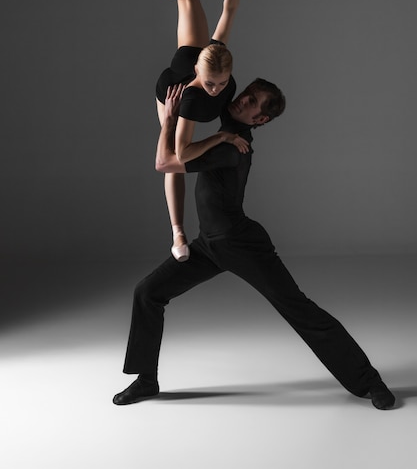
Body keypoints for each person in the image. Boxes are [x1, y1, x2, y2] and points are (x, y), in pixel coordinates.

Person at [112, 80, 396, 410]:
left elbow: (165, 163)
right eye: (245, 94)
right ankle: (146, 380)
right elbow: (211, 74)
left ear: (260, 120)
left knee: (299, 310)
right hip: (208, 245)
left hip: (241, 243)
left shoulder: (234, 148)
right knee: (147, 292)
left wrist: (173, 118)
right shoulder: (229, 124)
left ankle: (370, 382)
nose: (241, 101)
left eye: (252, 103)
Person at [106, 0, 253, 261]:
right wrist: (221, 136)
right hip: (170, 90)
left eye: (222, 84)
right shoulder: (190, 100)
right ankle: (178, 232)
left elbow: (229, 7)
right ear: (200, 75)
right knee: (171, 160)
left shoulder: (215, 55)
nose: (217, 90)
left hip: (191, 56)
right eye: (211, 84)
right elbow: (182, 156)